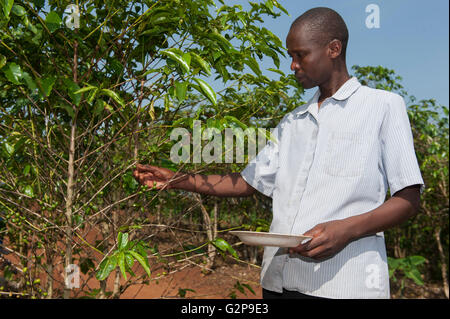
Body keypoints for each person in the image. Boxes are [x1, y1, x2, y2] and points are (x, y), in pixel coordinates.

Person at [133, 7, 424, 299]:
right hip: (279, 283)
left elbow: (408, 199)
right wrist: (177, 179)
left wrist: (345, 230)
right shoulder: (292, 121)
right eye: (291, 57)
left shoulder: (383, 106)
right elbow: (248, 183)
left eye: (301, 55)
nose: (293, 65)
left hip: (344, 285)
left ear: (333, 49)